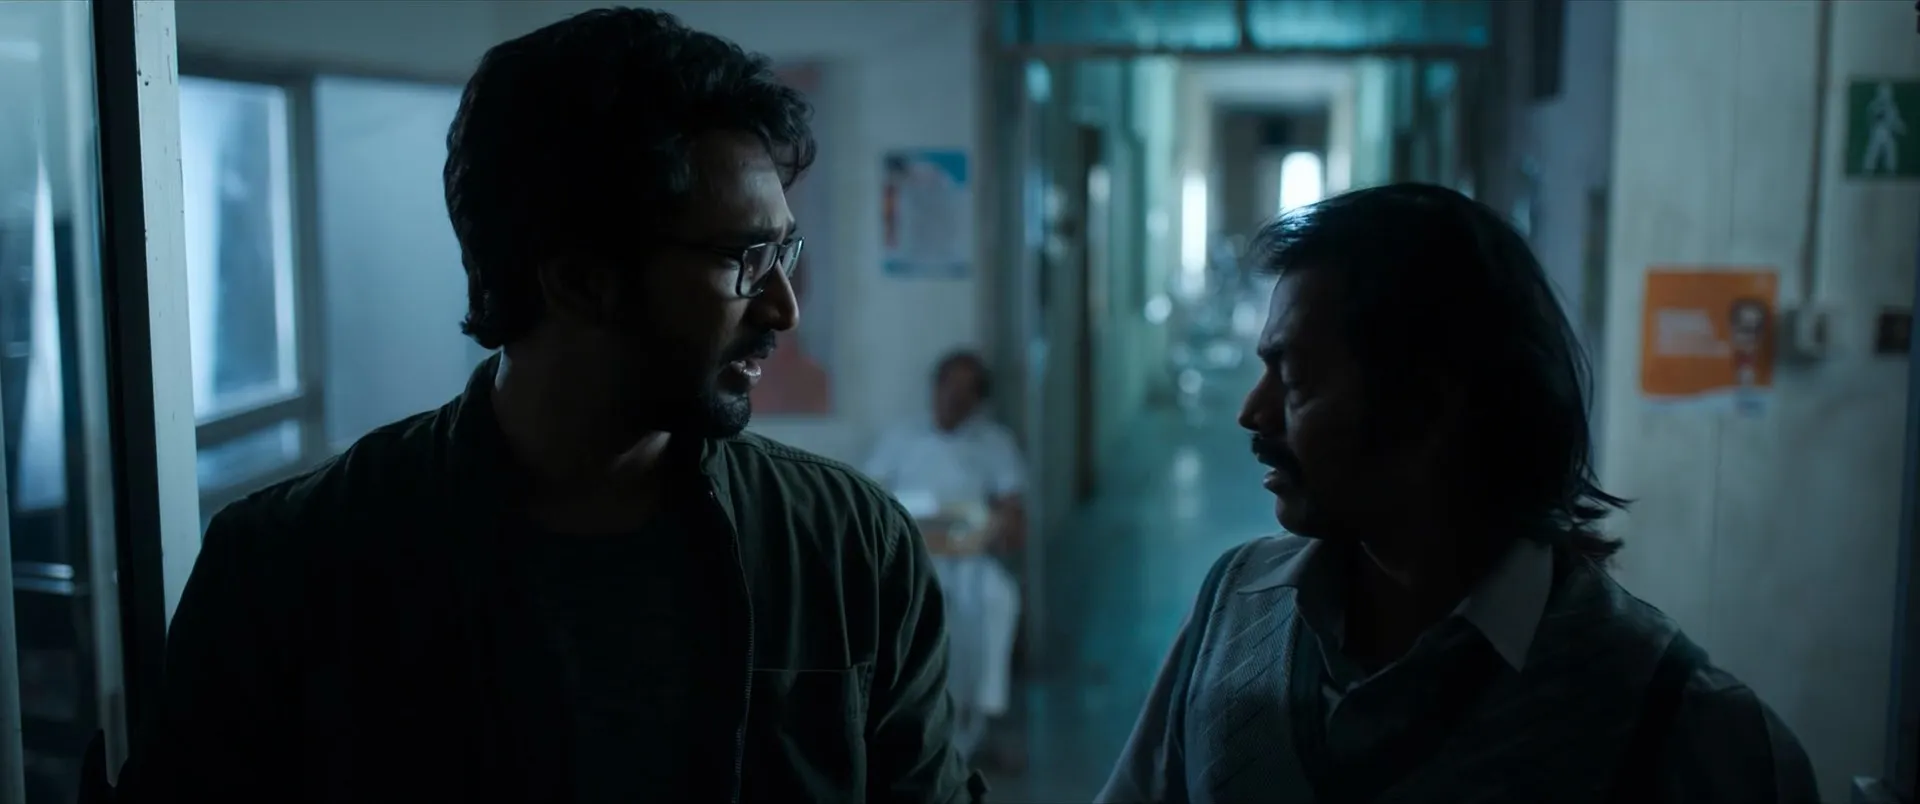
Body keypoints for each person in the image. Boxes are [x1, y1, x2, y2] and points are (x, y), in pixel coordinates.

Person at [104, 9, 979, 803]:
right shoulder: (293, 569)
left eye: (784, 250)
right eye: (744, 260)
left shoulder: (848, 545)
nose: (785, 308)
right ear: (578, 280)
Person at [1097, 183, 1819, 804]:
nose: (1252, 413)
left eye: (1294, 380)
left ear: (1432, 403)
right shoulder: (1231, 609)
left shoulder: (1683, 728)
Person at [864, 351, 1027, 767]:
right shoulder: (900, 439)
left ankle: (982, 714)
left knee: (996, 598)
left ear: (978, 399)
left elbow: (1012, 512)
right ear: (935, 388)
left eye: (966, 391)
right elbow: (869, 500)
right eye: (948, 387)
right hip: (911, 557)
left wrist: (995, 526)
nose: (954, 398)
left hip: (968, 558)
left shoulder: (994, 443)